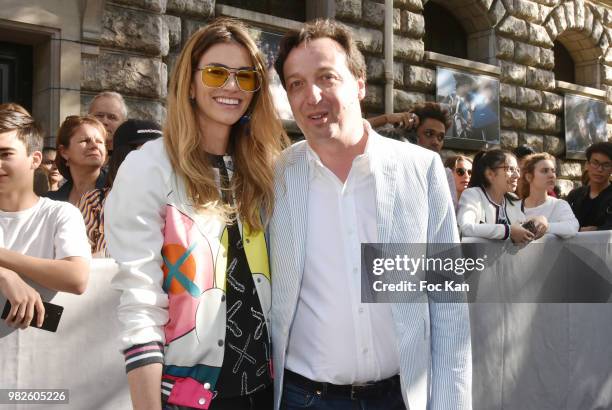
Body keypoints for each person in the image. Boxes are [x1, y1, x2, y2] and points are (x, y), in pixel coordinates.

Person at [271, 19, 471, 410]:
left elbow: (447, 304)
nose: (311, 95)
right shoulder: (273, 178)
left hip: (400, 396)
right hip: (302, 398)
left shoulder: (423, 169)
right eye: (296, 83)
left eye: (327, 77)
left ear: (359, 83)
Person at [105, 18, 287, 410]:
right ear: (189, 82)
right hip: (189, 396)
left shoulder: (264, 169)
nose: (231, 87)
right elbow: (140, 300)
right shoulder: (148, 167)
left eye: (245, 76)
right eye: (217, 73)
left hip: (267, 392)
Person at [0, 108, 90, 329]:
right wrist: (4, 275)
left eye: (5, 154)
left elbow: (76, 277)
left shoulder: (61, 214)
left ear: (35, 159)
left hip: (43, 356)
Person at [78, 119, 162, 256]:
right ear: (121, 157)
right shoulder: (94, 202)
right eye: (143, 150)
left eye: (162, 152)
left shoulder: (179, 204)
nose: (155, 159)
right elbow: (79, 261)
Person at [457, 149, 537, 243]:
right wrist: (508, 231)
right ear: (490, 174)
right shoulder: (473, 195)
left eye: (517, 170)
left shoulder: (513, 201)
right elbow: (465, 227)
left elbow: (523, 230)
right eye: (510, 169)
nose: (517, 175)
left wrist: (539, 222)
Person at [46, 116, 107, 205]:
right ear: (64, 152)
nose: (95, 146)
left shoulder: (117, 189)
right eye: (85, 141)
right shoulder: (52, 202)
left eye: (99, 141)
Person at [519, 153, 578, 238]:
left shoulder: (559, 204)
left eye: (553, 171)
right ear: (529, 177)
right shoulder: (515, 207)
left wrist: (546, 226)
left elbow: (572, 227)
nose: (551, 175)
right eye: (544, 171)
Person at [410, 102, 458, 209]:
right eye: (429, 134)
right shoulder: (400, 166)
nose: (436, 142)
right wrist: (387, 119)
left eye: (440, 137)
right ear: (413, 134)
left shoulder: (446, 174)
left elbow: (450, 211)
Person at [566, 141, 612, 231]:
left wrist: (597, 230)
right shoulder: (575, 195)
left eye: (606, 165)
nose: (600, 169)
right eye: (595, 163)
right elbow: (562, 222)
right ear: (587, 164)